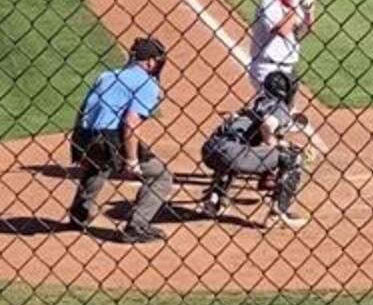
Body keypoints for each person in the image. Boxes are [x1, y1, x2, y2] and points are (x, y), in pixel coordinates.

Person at [68, 37, 174, 243]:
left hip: (84, 133)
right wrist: (132, 160)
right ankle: (137, 226)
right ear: (151, 62)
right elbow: (131, 123)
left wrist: (78, 147)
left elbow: (84, 109)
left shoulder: (107, 75)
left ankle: (79, 214)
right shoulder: (147, 83)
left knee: (97, 164)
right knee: (160, 176)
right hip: (110, 136)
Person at [200, 70, 308, 229]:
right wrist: (282, 145)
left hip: (210, 149)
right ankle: (278, 214)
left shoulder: (256, 103)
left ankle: (213, 201)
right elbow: (266, 128)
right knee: (292, 157)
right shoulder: (280, 108)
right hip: (233, 153)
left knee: (236, 152)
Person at [248, 0, 313, 96]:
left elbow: (307, 30)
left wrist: (309, 12)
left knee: (286, 114)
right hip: (266, 69)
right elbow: (282, 30)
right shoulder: (269, 4)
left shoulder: (294, 1)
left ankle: (250, 112)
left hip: (289, 69)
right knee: (274, 111)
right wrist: (294, 7)